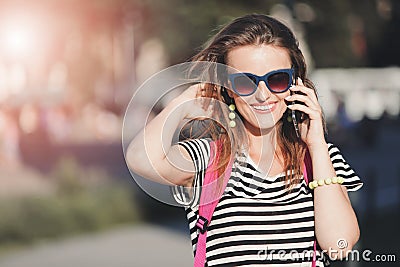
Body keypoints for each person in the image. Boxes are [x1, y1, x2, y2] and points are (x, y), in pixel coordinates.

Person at [126, 14, 363, 267]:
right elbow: (140, 159)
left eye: (277, 79)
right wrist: (185, 100)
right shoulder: (208, 160)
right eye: (245, 82)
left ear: (296, 82)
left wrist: (316, 144)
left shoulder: (320, 159)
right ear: (228, 87)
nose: (263, 95)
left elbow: (340, 244)